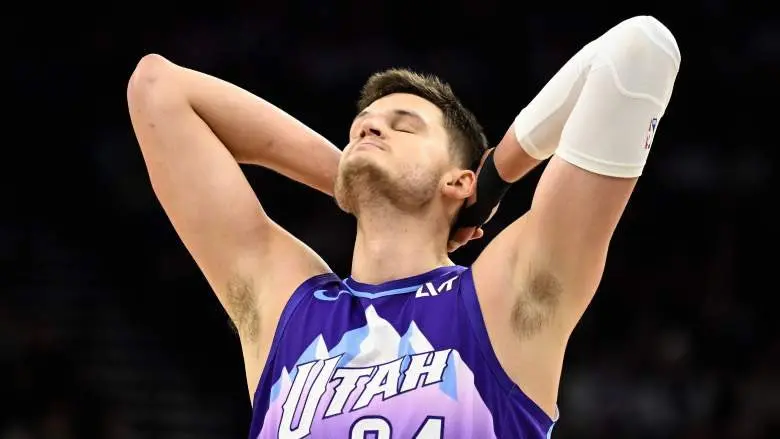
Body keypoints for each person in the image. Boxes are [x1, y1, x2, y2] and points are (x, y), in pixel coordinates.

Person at [127, 15, 680, 439]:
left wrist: (496, 176)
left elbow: (640, 51)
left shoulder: (502, 299)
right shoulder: (287, 310)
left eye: (404, 125)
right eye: (361, 126)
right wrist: (349, 176)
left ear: (458, 180)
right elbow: (157, 88)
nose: (368, 129)